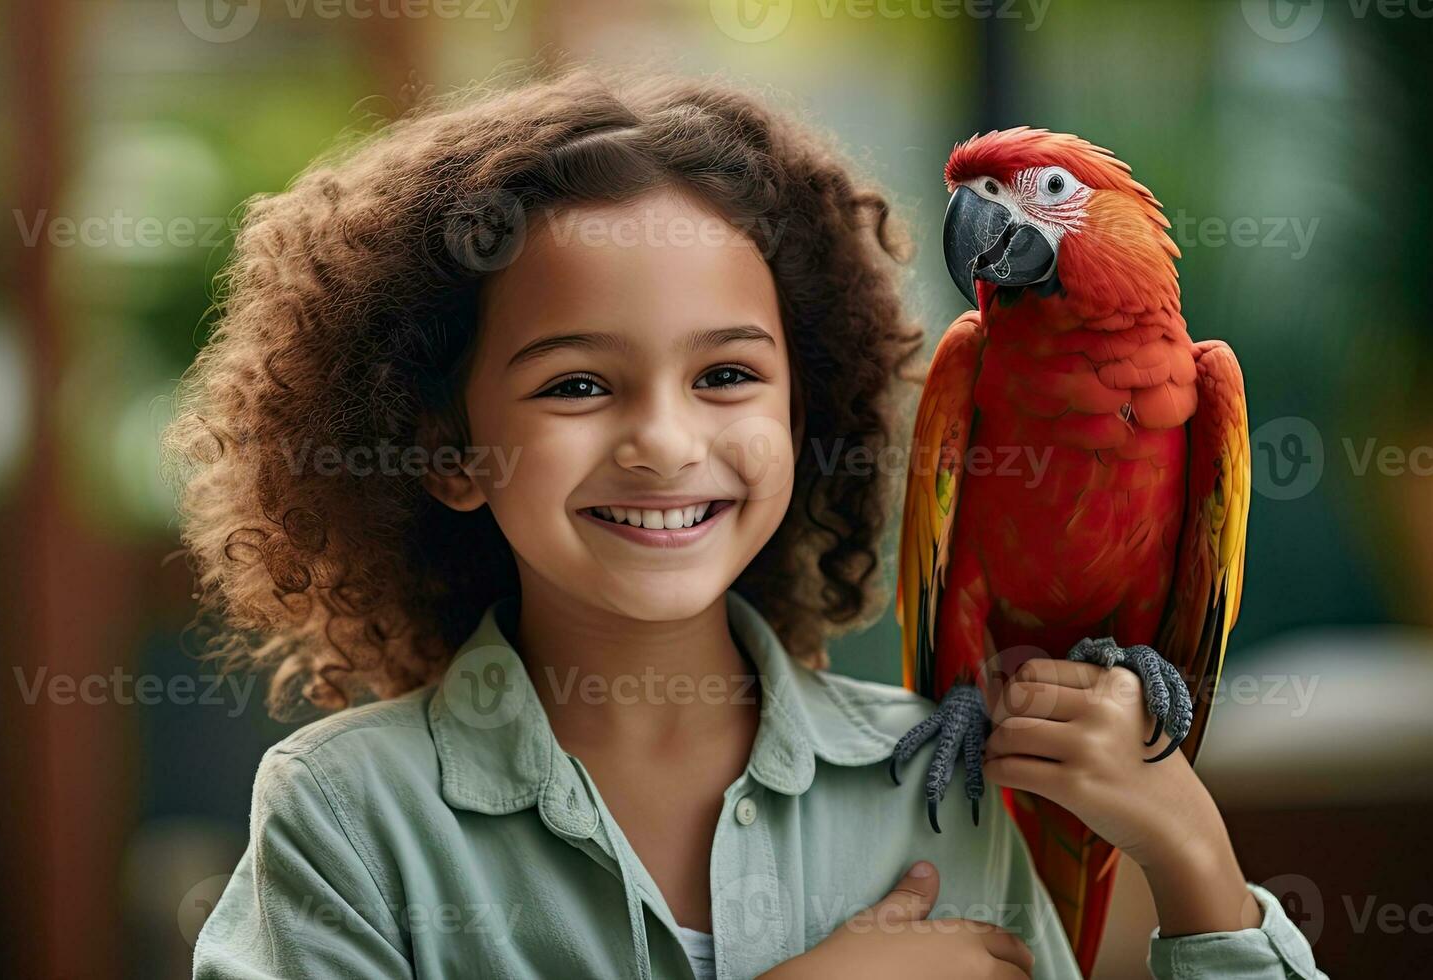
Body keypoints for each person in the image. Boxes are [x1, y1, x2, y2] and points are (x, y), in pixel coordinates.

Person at [168, 65, 1326, 979]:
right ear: (448, 449)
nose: (665, 443)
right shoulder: (346, 813)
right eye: (576, 384)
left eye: (726, 376)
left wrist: (1192, 853)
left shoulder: (943, 787)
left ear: (806, 408)